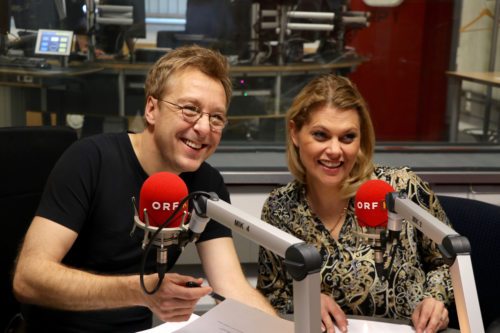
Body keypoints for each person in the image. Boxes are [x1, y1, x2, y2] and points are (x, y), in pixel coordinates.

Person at [13, 45, 275, 332]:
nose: (204, 128)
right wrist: (139, 291)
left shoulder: (206, 183)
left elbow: (233, 288)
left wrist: (287, 330)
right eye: (190, 109)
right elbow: (28, 278)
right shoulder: (90, 160)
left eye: (216, 118)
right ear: (152, 109)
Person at [256, 74, 454, 333]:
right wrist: (301, 302)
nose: (335, 150)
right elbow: (271, 294)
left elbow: (449, 261)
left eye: (347, 137)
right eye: (320, 135)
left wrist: (435, 299)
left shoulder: (401, 189)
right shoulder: (279, 208)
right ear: (295, 133)